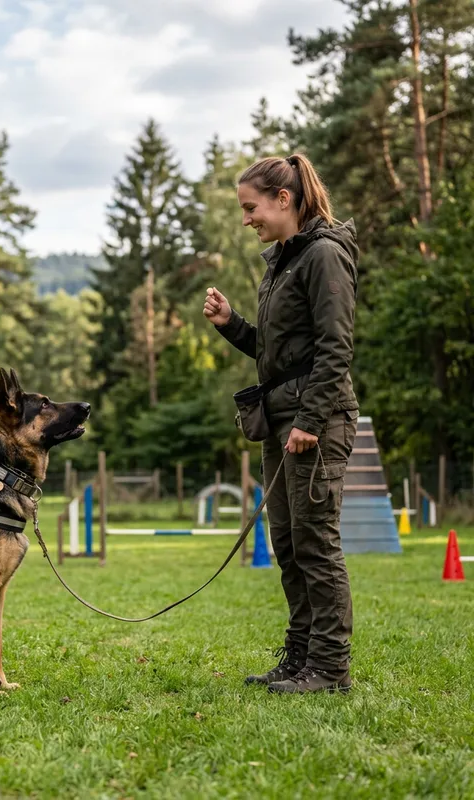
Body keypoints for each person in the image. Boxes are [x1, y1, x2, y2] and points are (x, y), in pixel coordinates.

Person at [203, 154, 359, 694]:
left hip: (316, 421)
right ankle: (299, 658)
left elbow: (336, 348)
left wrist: (311, 420)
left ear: (284, 199)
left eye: (251, 208)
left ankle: (330, 668)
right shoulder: (282, 261)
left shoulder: (324, 255)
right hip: (280, 420)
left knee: (316, 543)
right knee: (289, 544)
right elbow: (277, 355)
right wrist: (232, 325)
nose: (247, 219)